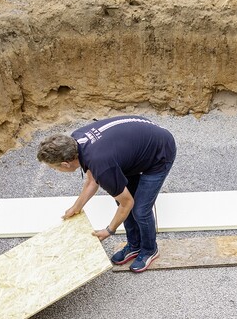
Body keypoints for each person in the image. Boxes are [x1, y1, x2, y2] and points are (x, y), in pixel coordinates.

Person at [37, 116, 177, 273]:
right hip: (134, 150)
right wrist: (76, 207)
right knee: (121, 201)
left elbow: (127, 203)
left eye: (55, 168)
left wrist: (109, 230)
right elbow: (91, 181)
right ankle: (135, 245)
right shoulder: (76, 141)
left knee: (139, 210)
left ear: (65, 163)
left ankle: (150, 250)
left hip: (160, 152)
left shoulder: (101, 166)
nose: (57, 171)